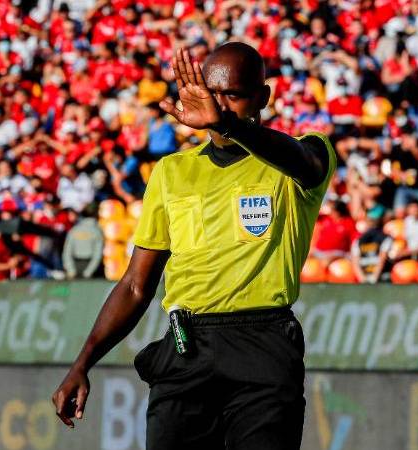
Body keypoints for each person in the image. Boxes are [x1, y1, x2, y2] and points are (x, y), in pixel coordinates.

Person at [51, 43, 334, 450]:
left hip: (263, 348)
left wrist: (231, 126)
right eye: (211, 92)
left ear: (264, 97)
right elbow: (135, 285)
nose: (218, 105)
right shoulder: (172, 171)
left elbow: (303, 161)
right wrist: (82, 363)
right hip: (187, 351)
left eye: (232, 95)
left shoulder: (301, 157)